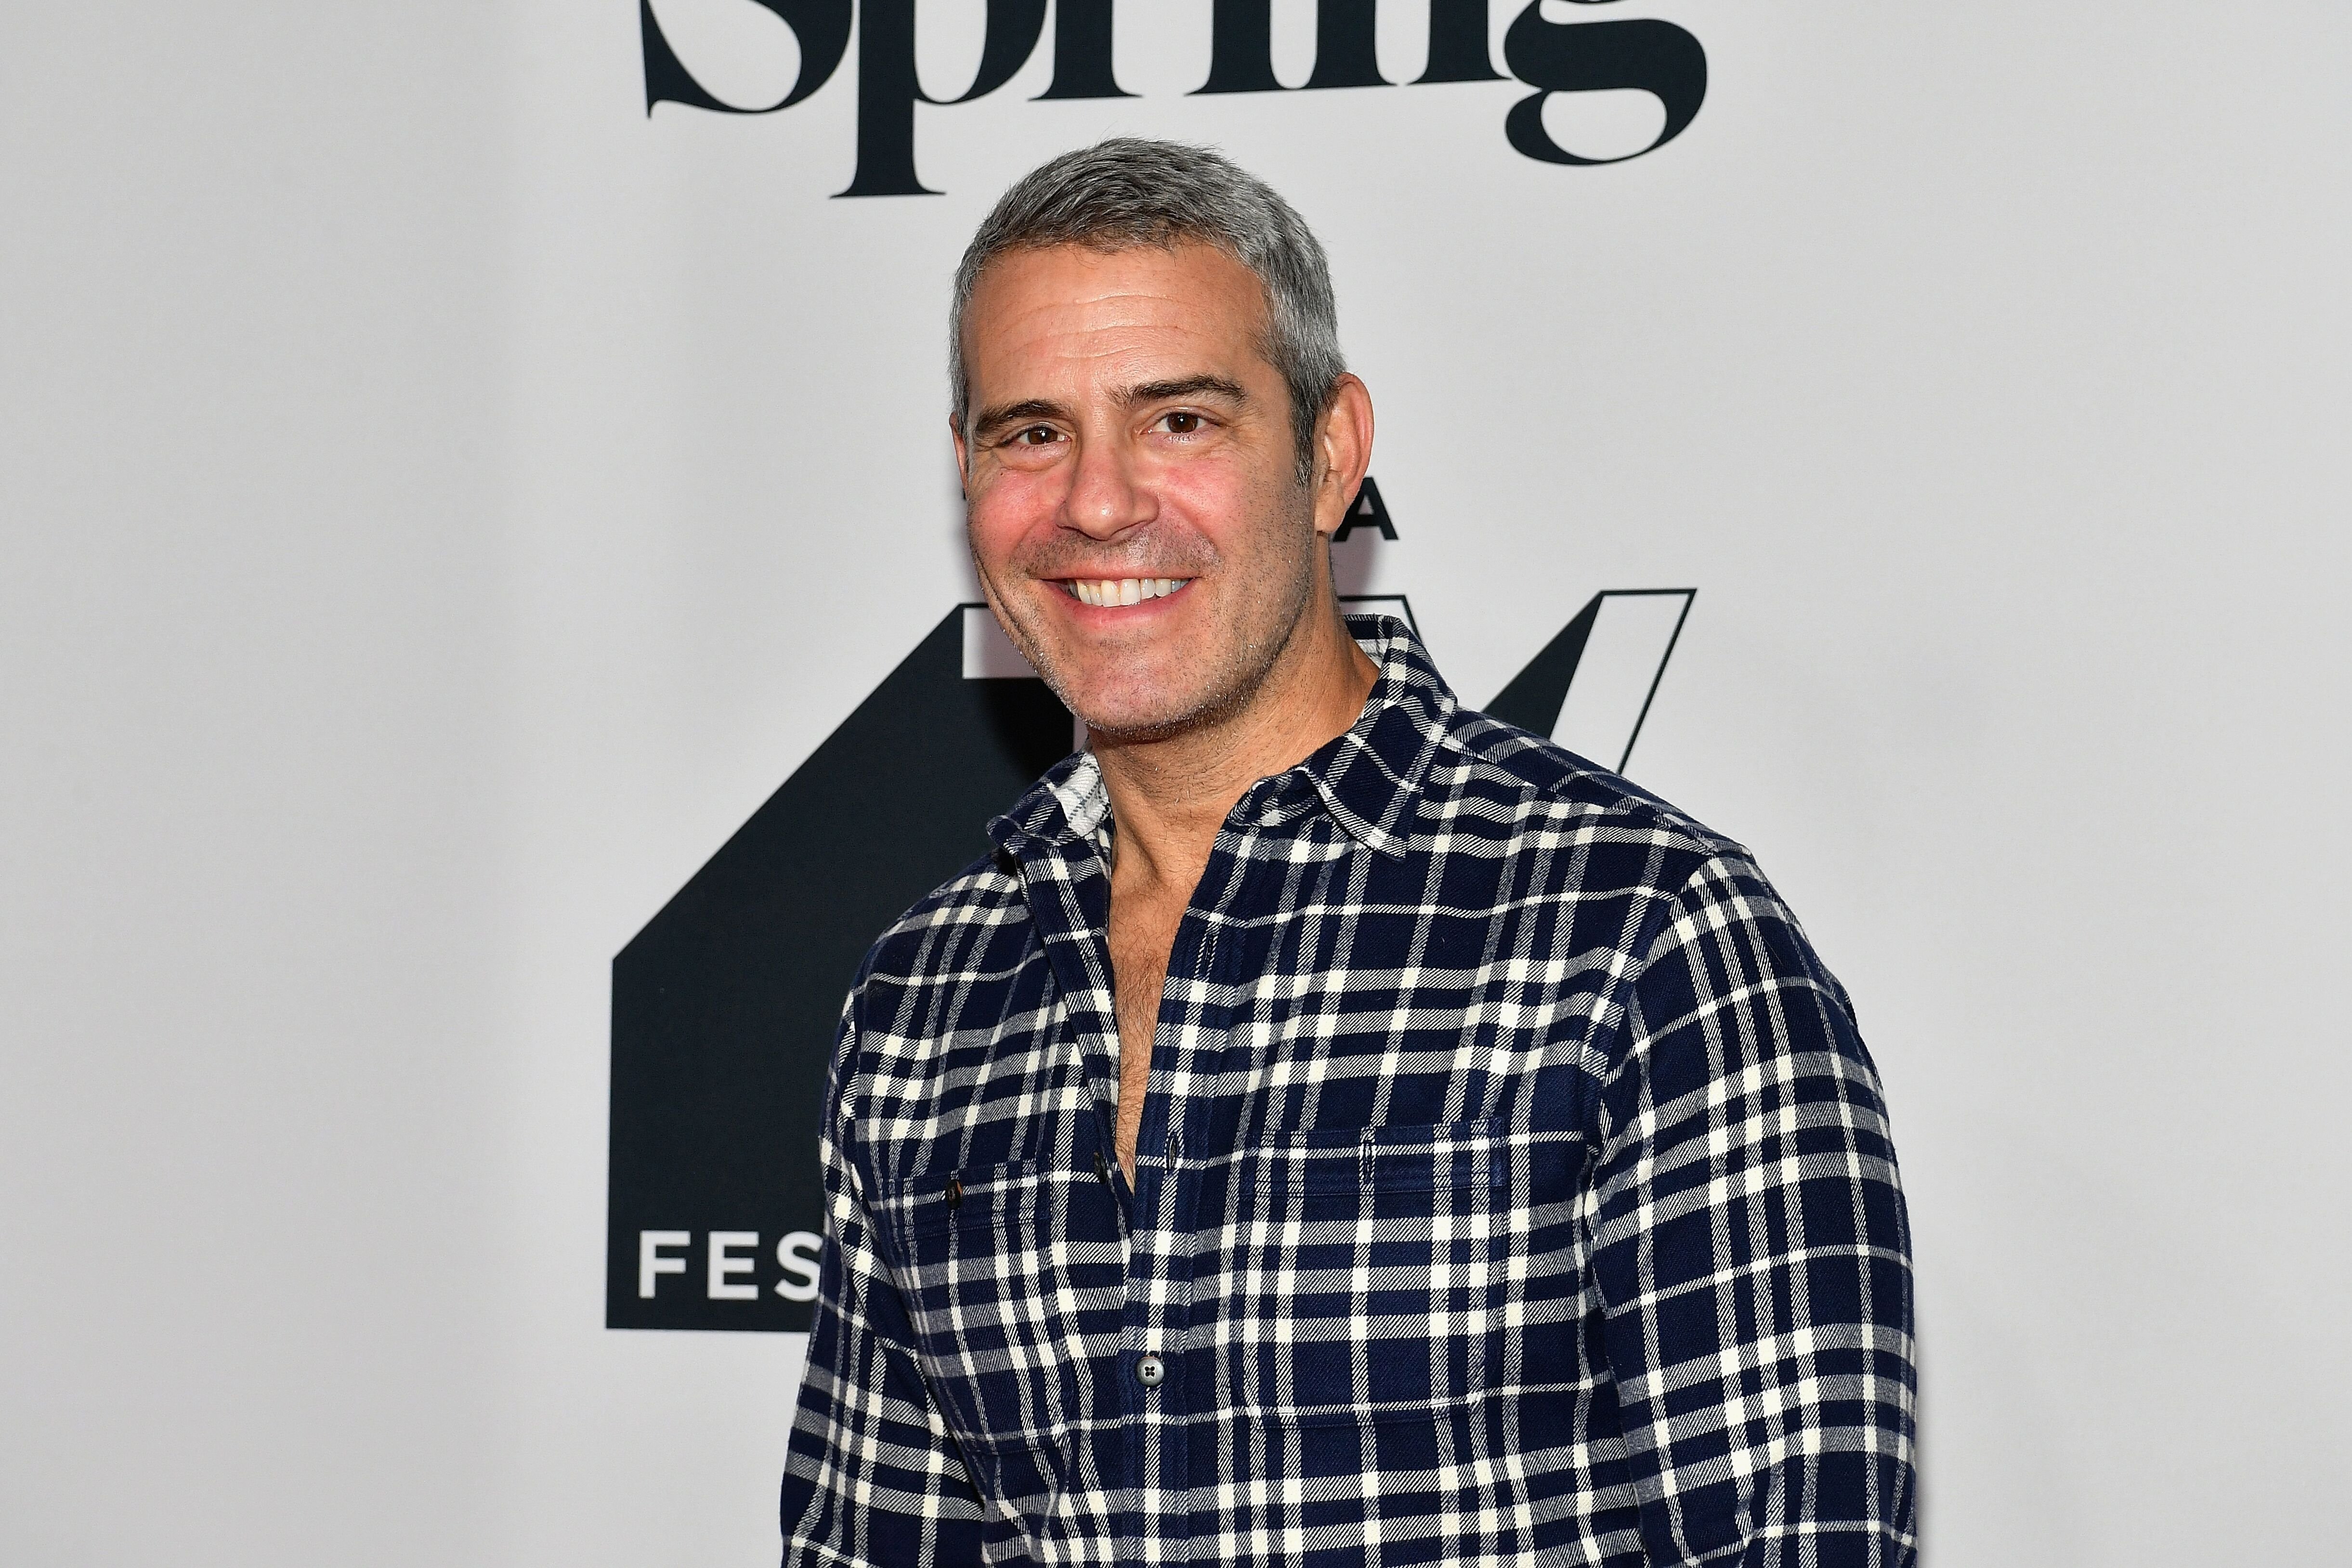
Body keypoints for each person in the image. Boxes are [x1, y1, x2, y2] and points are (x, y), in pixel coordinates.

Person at [778, 138, 1916, 1567]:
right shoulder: (923, 998)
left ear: (1329, 455)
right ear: (967, 474)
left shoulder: (1643, 937)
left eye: (1179, 421)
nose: (1096, 501)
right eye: (1030, 432)